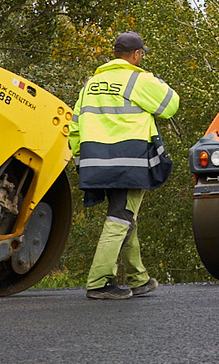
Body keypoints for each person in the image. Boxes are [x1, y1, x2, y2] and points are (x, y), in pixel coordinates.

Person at [70, 31, 181, 301]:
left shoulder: (91, 84)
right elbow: (170, 105)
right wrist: (154, 79)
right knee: (120, 217)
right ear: (137, 54)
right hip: (129, 161)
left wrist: (80, 162)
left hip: (96, 162)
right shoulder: (139, 79)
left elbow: (74, 126)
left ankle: (138, 278)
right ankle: (98, 282)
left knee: (125, 214)